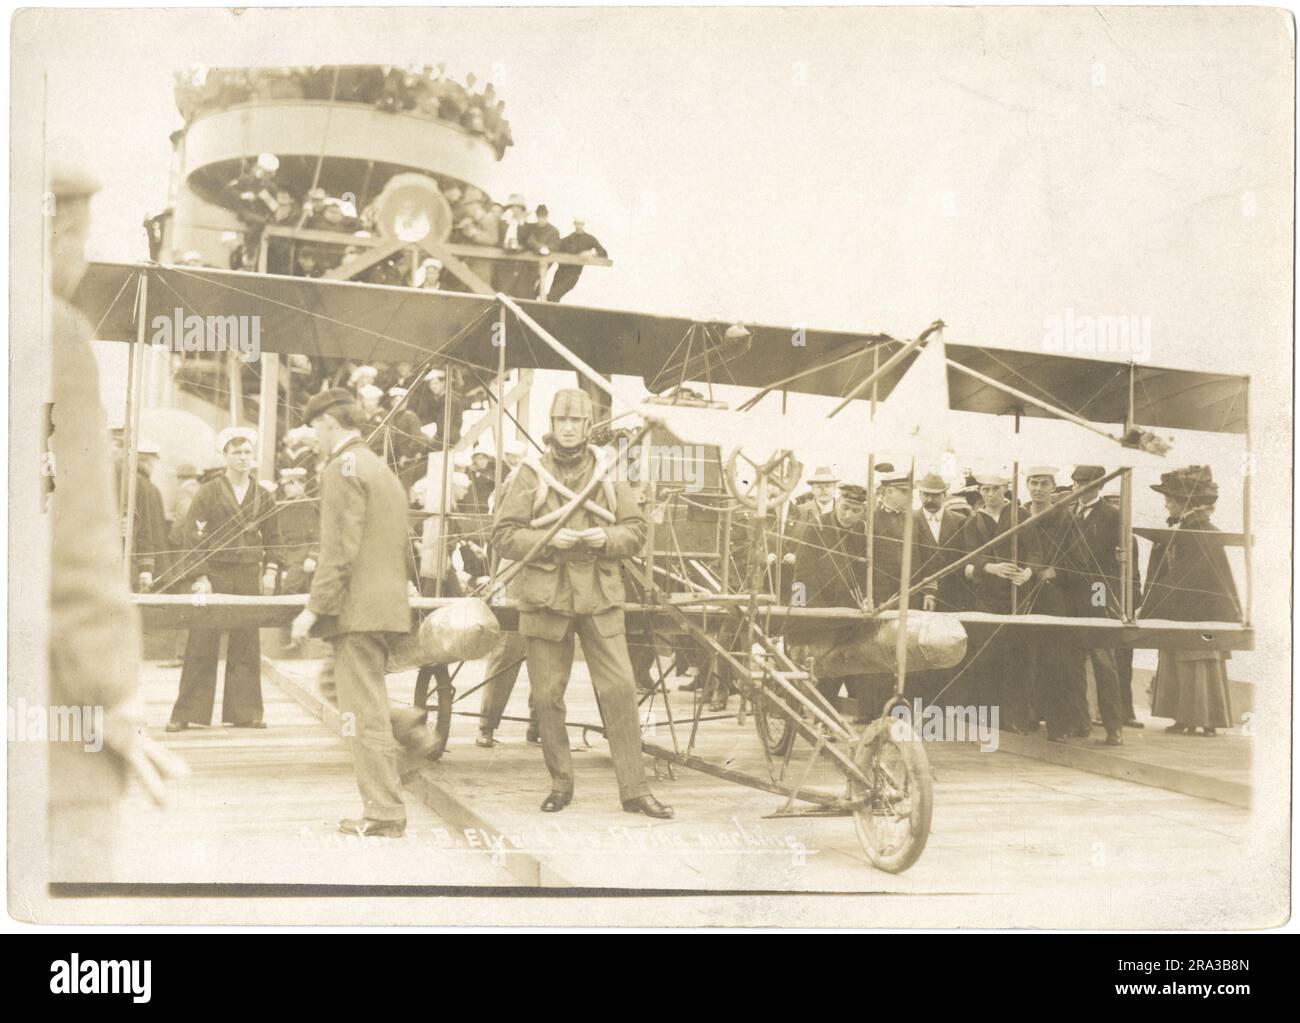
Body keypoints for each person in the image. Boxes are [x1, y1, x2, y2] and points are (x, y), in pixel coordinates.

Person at [492, 388, 672, 818]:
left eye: (576, 421)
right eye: (560, 421)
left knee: (621, 689)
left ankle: (635, 791)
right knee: (547, 695)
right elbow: (503, 535)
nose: (568, 429)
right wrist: (549, 541)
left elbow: (635, 529)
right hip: (546, 598)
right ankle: (561, 784)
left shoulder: (609, 473)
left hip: (600, 594)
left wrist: (606, 539)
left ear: (588, 427)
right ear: (551, 426)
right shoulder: (530, 474)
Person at [291, 388, 416, 837]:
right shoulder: (379, 467)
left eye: (314, 430)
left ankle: (384, 814)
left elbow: (338, 552)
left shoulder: (339, 469)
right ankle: (408, 727)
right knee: (342, 690)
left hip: (357, 611)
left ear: (328, 424)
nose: (313, 440)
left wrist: (312, 609)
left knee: (361, 714)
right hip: (385, 605)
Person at [168, 428, 281, 731]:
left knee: (246, 640)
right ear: (225, 456)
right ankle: (187, 713)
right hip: (212, 574)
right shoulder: (208, 492)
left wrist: (270, 572)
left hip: (248, 574)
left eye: (247, 452)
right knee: (201, 638)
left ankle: (246, 712)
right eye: (236, 452)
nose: (243, 458)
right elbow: (193, 536)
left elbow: (275, 539)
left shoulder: (263, 496)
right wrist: (200, 576)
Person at [1142, 467, 1241, 736]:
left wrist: (1159, 599)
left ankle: (1207, 719)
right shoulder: (1179, 530)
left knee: (1199, 659)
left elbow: (1196, 574)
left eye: (1170, 499)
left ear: (1184, 503)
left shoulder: (1202, 532)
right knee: (1178, 657)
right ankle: (1183, 716)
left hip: (1200, 610)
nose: (1166, 503)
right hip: (1178, 608)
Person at [788, 483, 879, 719]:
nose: (848, 515)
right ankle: (806, 712)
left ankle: (826, 718)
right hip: (818, 609)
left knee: (839, 664)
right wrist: (800, 609)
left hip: (849, 611)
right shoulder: (816, 527)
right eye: (845, 508)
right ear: (838, 502)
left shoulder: (864, 531)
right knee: (816, 663)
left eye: (856, 511)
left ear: (863, 512)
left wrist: (869, 599)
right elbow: (800, 573)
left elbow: (869, 572)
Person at [1058, 465, 1127, 746]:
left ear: (1098, 486)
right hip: (1071, 591)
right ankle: (1079, 722)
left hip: (1097, 589)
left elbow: (1118, 557)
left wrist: (1105, 598)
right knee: (1073, 658)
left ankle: (1114, 727)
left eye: (1085, 484)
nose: (1079, 489)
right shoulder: (1068, 514)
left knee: (1102, 657)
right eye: (1076, 484)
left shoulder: (1112, 515)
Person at [961, 474, 1036, 731]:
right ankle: (987, 716)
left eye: (995, 489)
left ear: (1005, 489)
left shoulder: (1021, 515)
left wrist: (1028, 572)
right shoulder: (974, 521)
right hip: (986, 595)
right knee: (987, 654)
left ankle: (1016, 718)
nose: (990, 494)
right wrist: (991, 567)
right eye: (985, 489)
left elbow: (1036, 550)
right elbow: (970, 555)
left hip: (1017, 594)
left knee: (1017, 655)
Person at [1017, 466, 1075, 740]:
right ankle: (1027, 717)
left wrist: (1057, 572)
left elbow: (1079, 558)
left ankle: (1058, 724)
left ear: (1053, 487)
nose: (1038, 488)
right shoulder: (1018, 514)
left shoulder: (1065, 516)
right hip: (1022, 591)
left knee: (1055, 660)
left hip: (1053, 594)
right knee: (1026, 657)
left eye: (1044, 483)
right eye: (1033, 483)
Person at [272, 467, 319, 594]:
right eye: (285, 484)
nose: (286, 488)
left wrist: (312, 558)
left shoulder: (310, 506)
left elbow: (318, 536)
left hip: (302, 559)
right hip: (284, 558)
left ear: (302, 484)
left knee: (289, 590)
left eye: (290, 484)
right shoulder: (281, 507)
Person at [547, 218, 608, 302]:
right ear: (574, 224)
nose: (579, 226)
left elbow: (603, 252)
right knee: (552, 299)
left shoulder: (589, 239)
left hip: (572, 275)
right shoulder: (567, 239)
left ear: (584, 224)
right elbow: (554, 250)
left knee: (551, 297)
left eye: (581, 224)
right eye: (577, 223)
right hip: (560, 273)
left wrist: (591, 253)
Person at [519, 204, 562, 298]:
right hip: (527, 264)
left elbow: (555, 246)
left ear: (547, 217)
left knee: (538, 285)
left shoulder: (553, 231)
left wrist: (542, 248)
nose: (541, 219)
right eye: (539, 216)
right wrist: (524, 219)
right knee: (523, 286)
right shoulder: (530, 227)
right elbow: (525, 238)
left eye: (543, 217)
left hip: (544, 264)